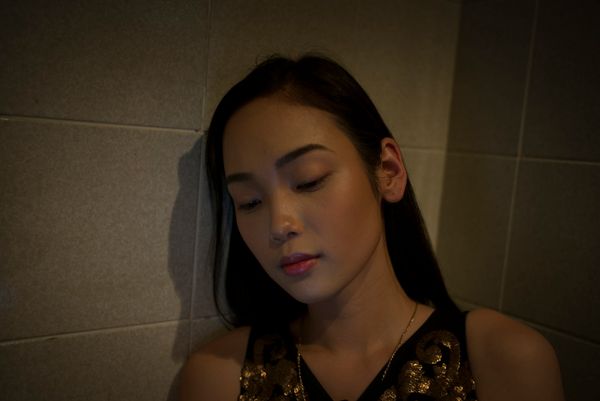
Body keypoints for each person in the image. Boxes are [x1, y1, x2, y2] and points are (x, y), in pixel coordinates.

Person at [181, 55, 564, 401]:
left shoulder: (500, 358)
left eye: (309, 180)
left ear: (388, 172)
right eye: (249, 201)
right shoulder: (219, 376)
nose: (278, 226)